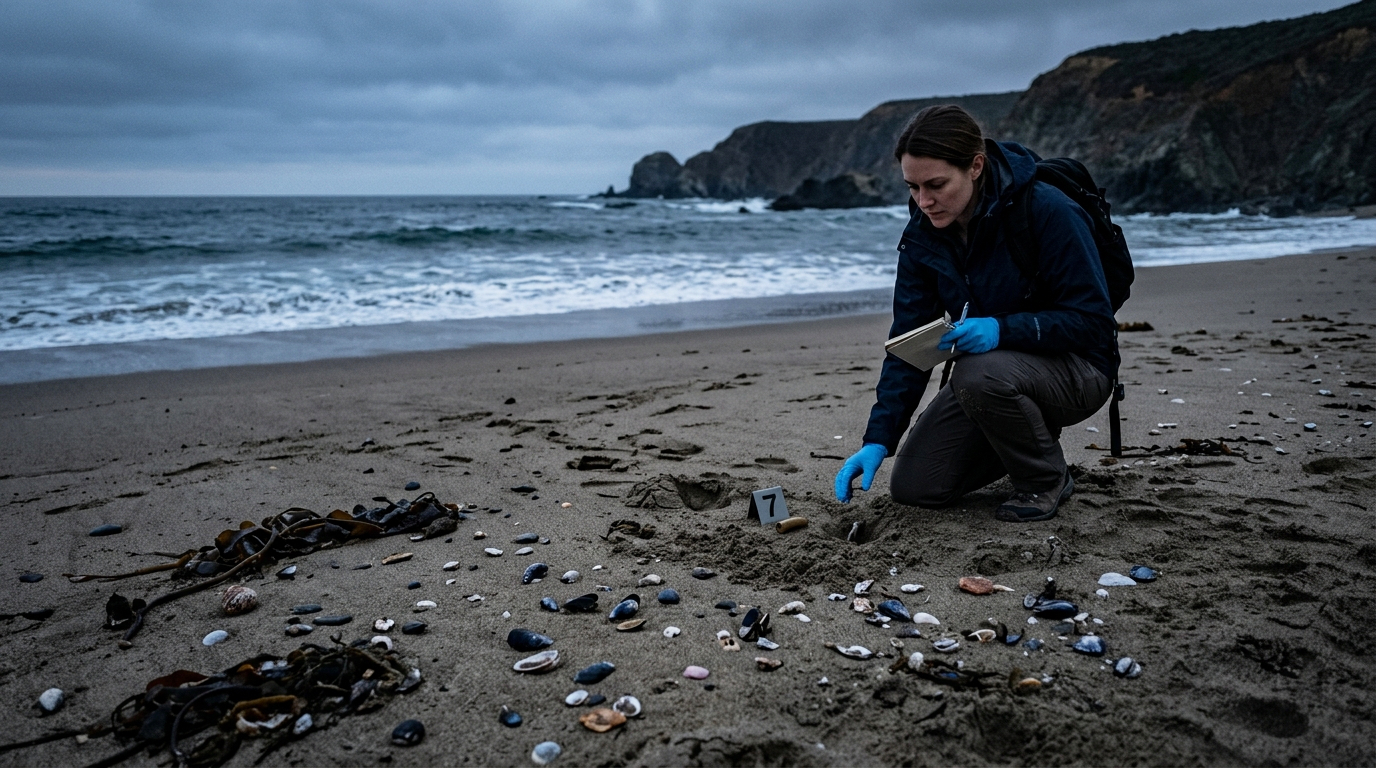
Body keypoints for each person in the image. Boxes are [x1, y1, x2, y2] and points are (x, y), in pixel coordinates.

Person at [834, 105, 1117, 522]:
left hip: (1080, 368)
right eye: (912, 187)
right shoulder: (923, 235)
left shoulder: (1046, 209)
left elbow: (1093, 322)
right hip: (996, 378)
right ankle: (1023, 431)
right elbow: (912, 344)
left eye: (936, 185)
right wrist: (879, 438)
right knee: (916, 486)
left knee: (978, 373)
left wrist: (1000, 329)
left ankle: (1045, 480)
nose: (924, 201)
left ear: (976, 166)